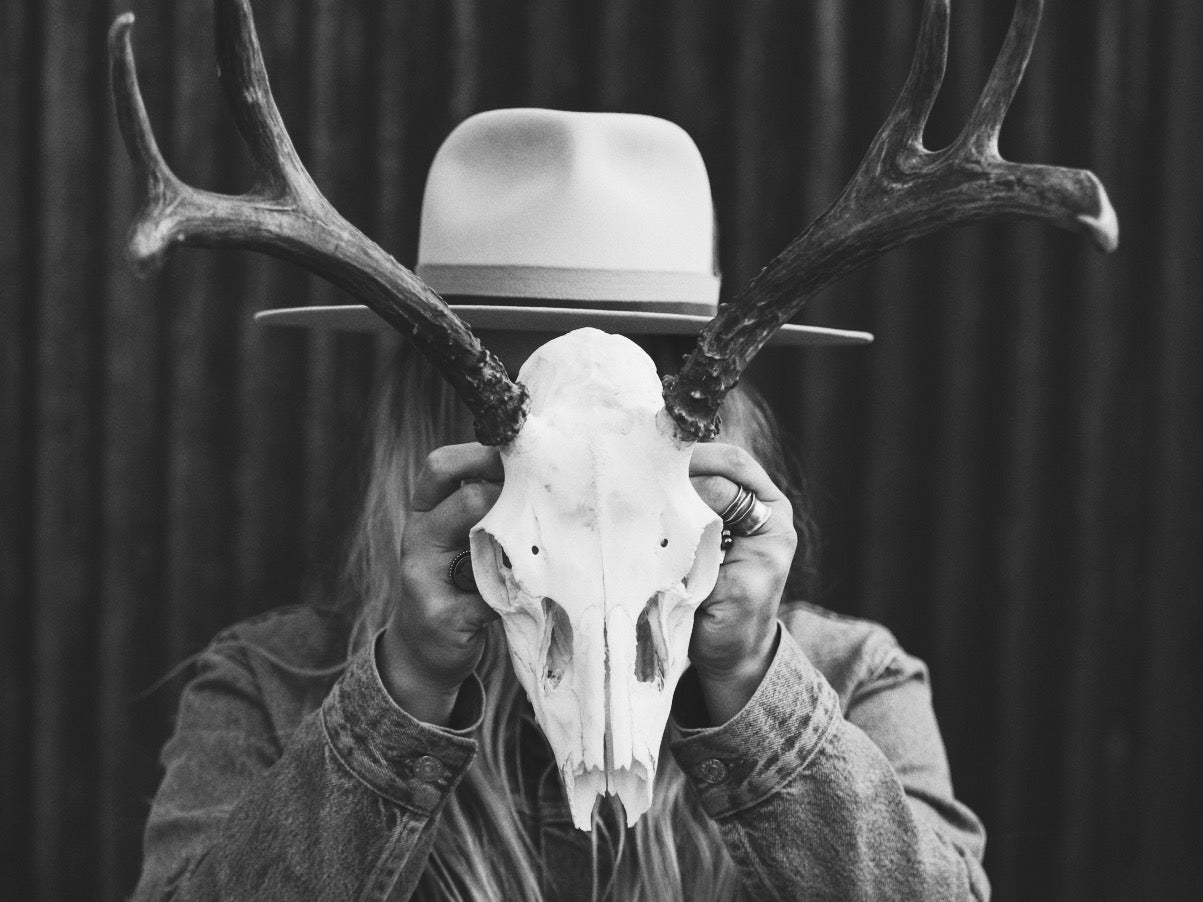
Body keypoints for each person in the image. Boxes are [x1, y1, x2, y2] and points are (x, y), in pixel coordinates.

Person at [132, 109, 989, 901]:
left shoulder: (854, 681)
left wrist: (753, 688)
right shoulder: (263, 689)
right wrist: (399, 696)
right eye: (521, 407)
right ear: (429, 426)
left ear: (715, 422)